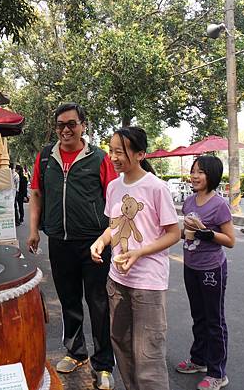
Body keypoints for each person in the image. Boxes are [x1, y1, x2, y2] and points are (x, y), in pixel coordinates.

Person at [27, 102, 117, 389]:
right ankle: (76, 352)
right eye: (61, 125)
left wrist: (114, 239)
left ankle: (103, 364)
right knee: (68, 300)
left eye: (72, 124)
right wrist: (34, 231)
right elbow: (37, 196)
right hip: (59, 241)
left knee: (99, 303)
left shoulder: (99, 158)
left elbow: (114, 201)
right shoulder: (45, 158)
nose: (66, 129)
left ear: (83, 126)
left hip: (95, 243)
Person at [90, 127, 180, 390]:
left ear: (140, 153)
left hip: (148, 283)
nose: (114, 157)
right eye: (111, 150)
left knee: (148, 355)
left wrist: (140, 252)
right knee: (121, 345)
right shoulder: (113, 187)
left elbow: (174, 233)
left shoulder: (156, 187)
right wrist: (101, 240)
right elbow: (114, 226)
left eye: (120, 151)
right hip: (116, 280)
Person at [175, 155, 235, 390]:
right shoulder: (189, 201)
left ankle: (218, 373)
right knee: (198, 317)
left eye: (200, 172)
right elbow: (183, 232)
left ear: (211, 175)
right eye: (193, 171)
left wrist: (205, 232)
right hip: (191, 266)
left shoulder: (219, 204)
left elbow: (230, 240)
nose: (195, 176)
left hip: (212, 269)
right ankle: (198, 360)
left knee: (214, 321)